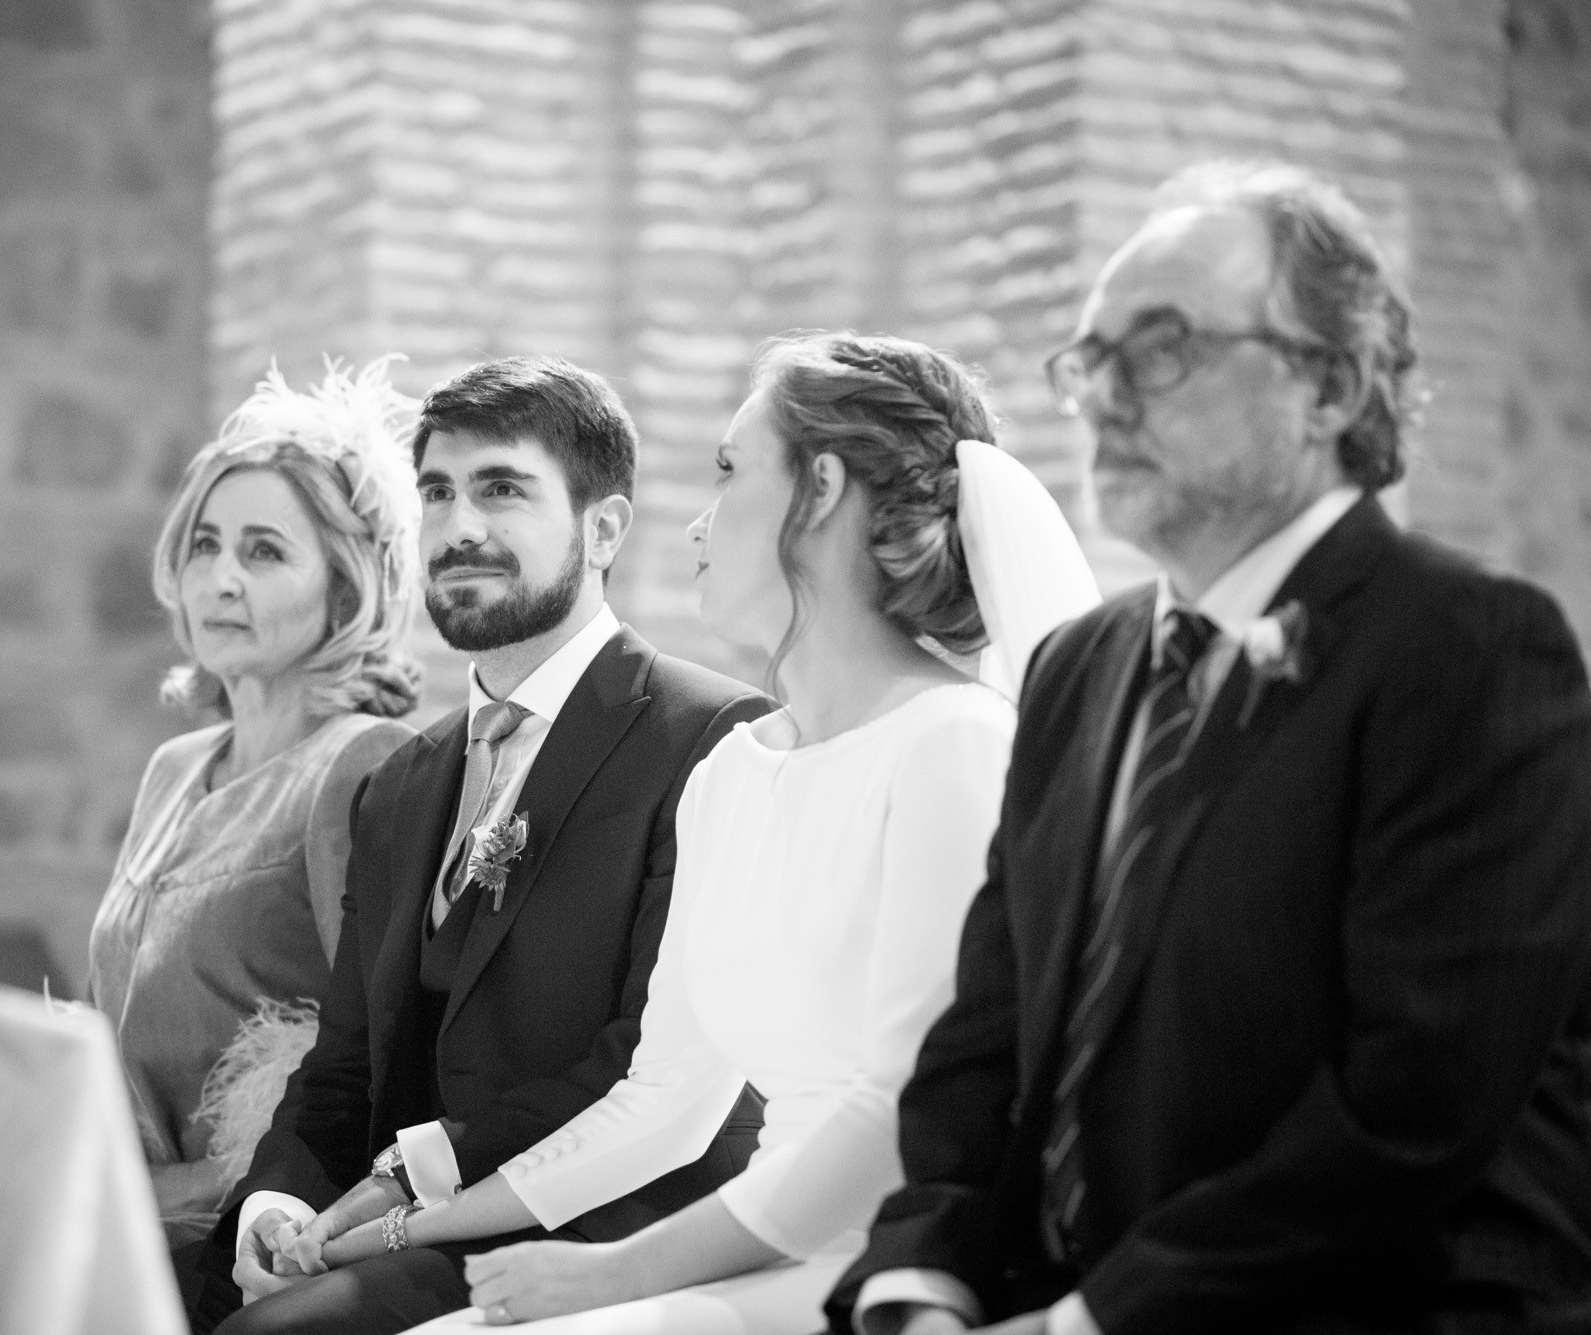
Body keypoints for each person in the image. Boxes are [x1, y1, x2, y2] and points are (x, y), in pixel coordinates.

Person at [828, 162, 1591, 1335]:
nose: (1103, 398)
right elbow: (988, 1035)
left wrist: (1084, 1323)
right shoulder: (1078, 666)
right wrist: (921, 1280)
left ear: (1327, 386)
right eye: (1088, 360)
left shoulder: (1470, 649)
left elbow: (1413, 1107)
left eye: (1163, 347)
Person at [299, 333, 1102, 1335]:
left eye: (727, 472)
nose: (695, 522)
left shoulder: (952, 747)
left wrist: (615, 1276)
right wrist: (402, 1229)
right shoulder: (732, 772)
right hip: (752, 1252)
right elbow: (661, 1097)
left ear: (820, 488)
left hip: (889, 1259)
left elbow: (897, 1114)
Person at [181, 356, 773, 1334]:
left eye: (500, 490)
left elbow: (640, 1066)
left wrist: (383, 1209)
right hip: (383, 1230)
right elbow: (341, 1067)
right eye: (437, 493)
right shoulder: (400, 785)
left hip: (585, 1235)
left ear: (602, 528)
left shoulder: (706, 738)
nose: (457, 528)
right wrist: (277, 1205)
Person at [89, 360, 422, 1246]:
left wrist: (186, 1199)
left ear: (344, 588)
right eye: (206, 544)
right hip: (110, 1213)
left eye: (264, 551)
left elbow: (373, 1075)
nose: (221, 578)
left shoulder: (358, 761)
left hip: (243, 1237)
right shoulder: (174, 764)